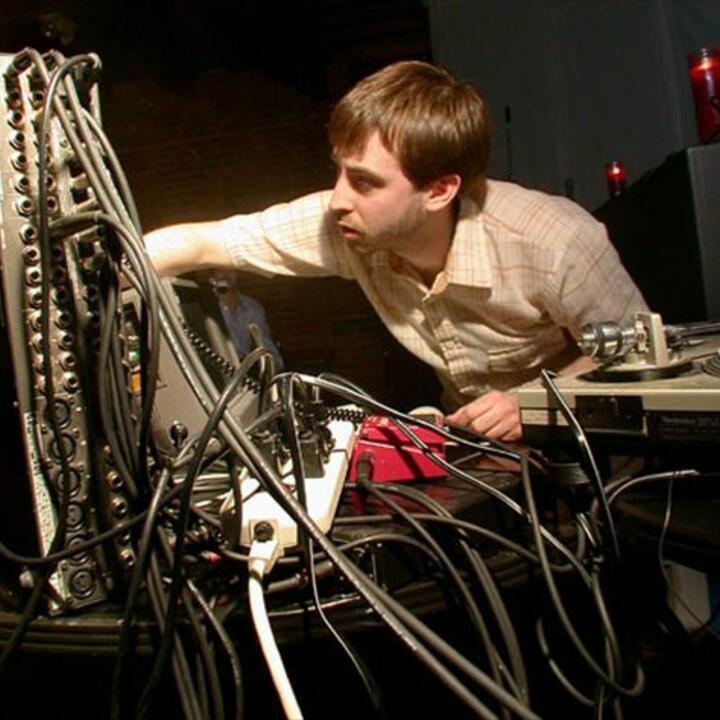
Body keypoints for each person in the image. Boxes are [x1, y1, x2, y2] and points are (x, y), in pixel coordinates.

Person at [145, 60, 647, 441]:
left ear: (439, 191)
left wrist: (538, 403)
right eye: (340, 172)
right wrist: (108, 264)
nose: (338, 199)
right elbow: (207, 242)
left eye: (364, 182)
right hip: (485, 459)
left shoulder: (556, 241)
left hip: (595, 457)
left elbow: (639, 357)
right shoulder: (349, 225)